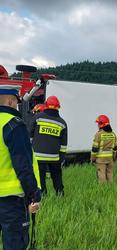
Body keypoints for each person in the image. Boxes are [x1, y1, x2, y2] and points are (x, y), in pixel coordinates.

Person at [0, 85, 41, 250]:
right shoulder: (13, 124)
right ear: (10, 101)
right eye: (16, 103)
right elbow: (23, 165)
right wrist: (33, 193)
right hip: (11, 200)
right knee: (14, 244)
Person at [30, 95, 67, 196]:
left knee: (40, 178)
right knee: (57, 177)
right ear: (58, 107)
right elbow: (63, 145)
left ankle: (43, 196)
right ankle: (60, 194)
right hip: (54, 157)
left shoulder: (37, 118)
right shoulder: (62, 123)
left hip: (38, 156)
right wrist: (61, 159)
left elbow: (30, 135)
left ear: (46, 105)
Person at [90, 115, 117, 183]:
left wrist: (92, 159)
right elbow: (115, 148)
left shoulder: (98, 134)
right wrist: (113, 158)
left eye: (98, 123)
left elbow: (94, 149)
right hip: (110, 158)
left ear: (102, 124)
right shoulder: (113, 134)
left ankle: (103, 190)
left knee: (101, 174)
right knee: (110, 174)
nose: (97, 125)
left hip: (100, 159)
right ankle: (110, 189)